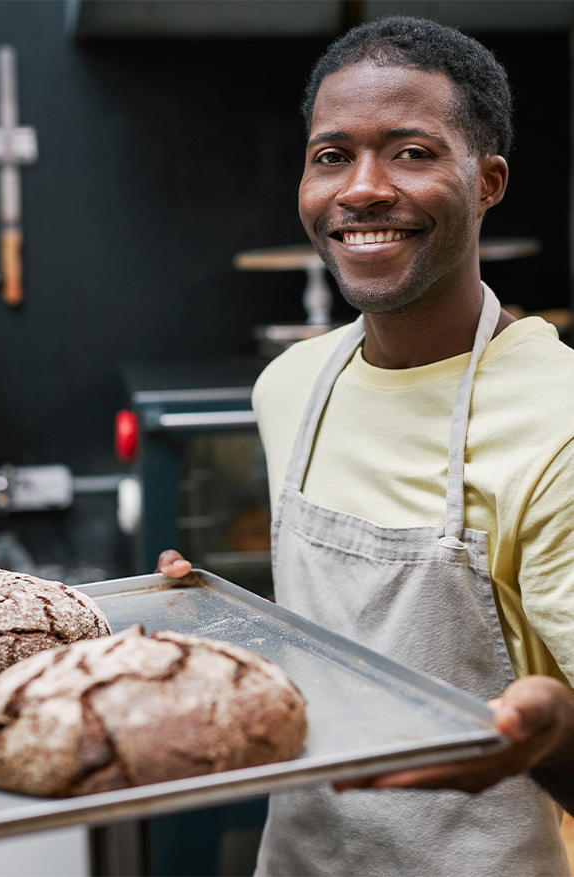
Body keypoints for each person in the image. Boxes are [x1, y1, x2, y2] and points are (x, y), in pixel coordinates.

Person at [158, 16, 574, 875]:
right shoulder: (291, 386)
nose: (362, 188)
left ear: (487, 180)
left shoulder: (556, 423)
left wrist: (548, 740)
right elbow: (347, 655)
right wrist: (215, 625)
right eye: (331, 155)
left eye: (412, 152)